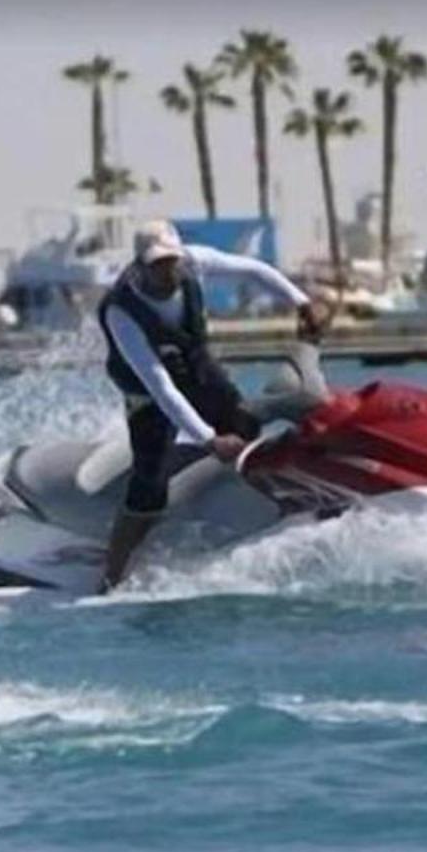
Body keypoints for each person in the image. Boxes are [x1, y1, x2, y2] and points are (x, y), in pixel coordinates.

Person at [97, 220, 329, 591]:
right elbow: (159, 386)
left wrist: (300, 301)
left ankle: (217, 488)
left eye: (170, 261)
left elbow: (253, 270)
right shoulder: (121, 310)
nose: (167, 271)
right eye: (156, 264)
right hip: (147, 393)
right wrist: (208, 438)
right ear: (140, 265)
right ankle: (110, 577)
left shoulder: (195, 261)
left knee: (243, 425)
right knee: (149, 490)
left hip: (196, 366)